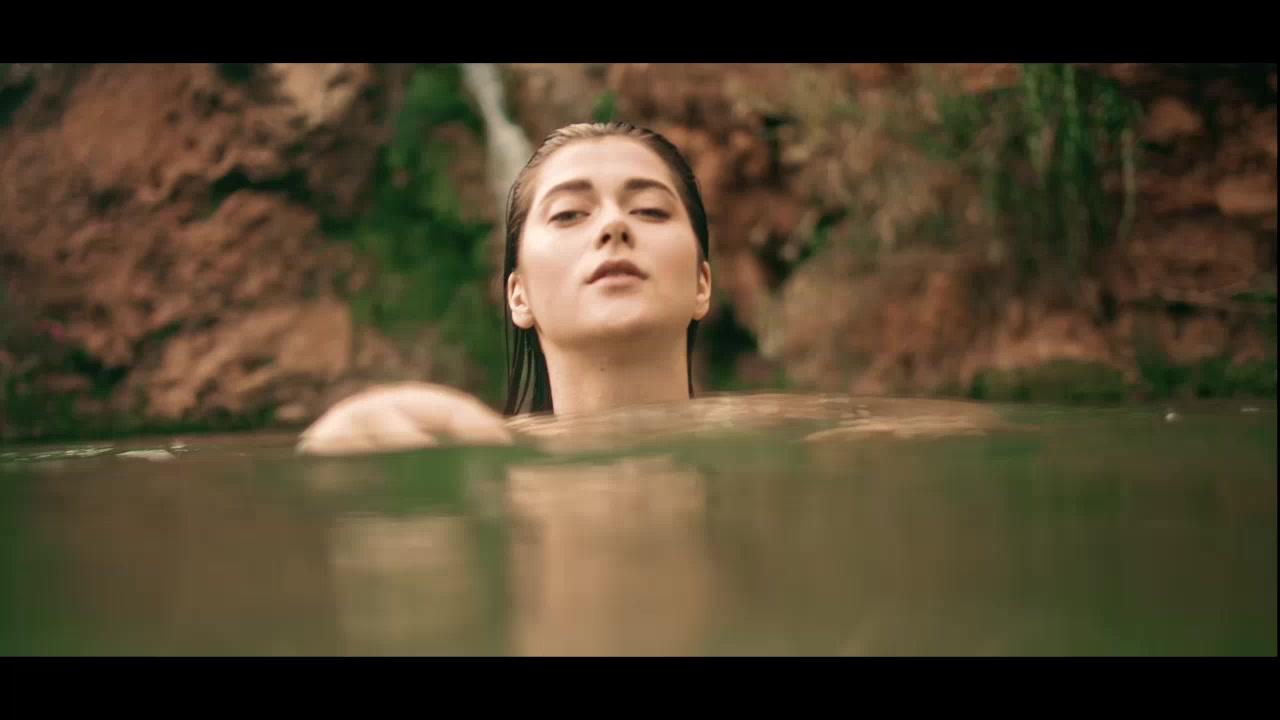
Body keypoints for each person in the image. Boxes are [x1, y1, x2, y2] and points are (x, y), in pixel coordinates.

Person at [297, 121, 713, 455]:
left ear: (702, 283)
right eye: (568, 214)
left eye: (650, 210)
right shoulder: (475, 456)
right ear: (518, 294)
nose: (613, 224)